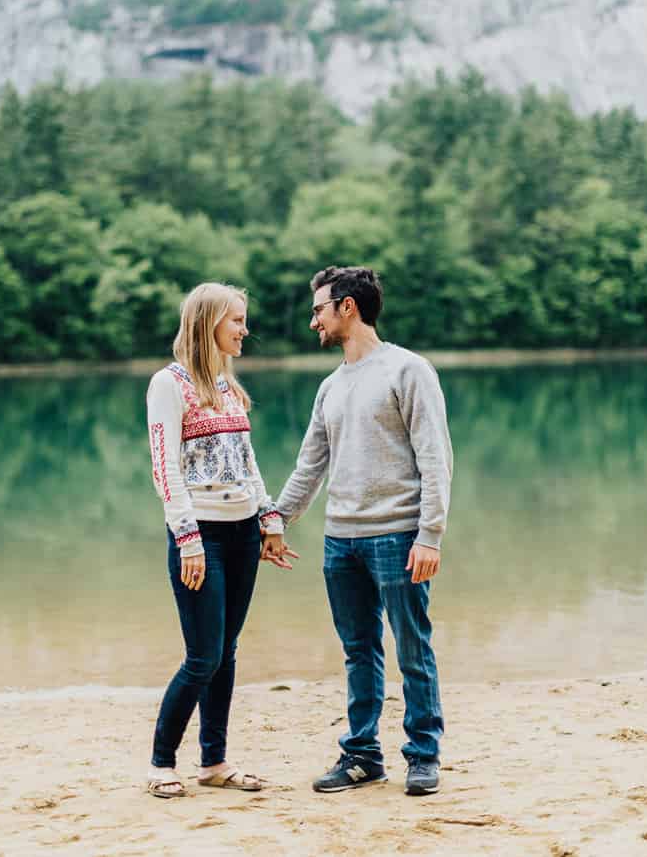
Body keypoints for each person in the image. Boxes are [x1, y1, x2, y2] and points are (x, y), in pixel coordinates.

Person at [270, 266, 453, 797]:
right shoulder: (330, 386)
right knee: (359, 651)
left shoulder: (408, 370)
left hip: (398, 536)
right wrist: (275, 520)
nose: (314, 322)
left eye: (319, 310)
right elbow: (310, 465)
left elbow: (436, 458)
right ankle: (362, 756)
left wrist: (430, 534)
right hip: (340, 541)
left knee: (413, 649)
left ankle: (423, 755)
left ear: (347, 307)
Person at [145, 282, 293, 798]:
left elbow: (248, 464)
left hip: (243, 533)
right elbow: (165, 469)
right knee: (203, 656)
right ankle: (162, 764)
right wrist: (187, 539)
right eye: (237, 320)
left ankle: (214, 762)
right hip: (200, 536)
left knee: (226, 651)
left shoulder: (229, 386)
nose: (245, 330)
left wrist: (270, 519)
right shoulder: (168, 384)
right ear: (209, 323)